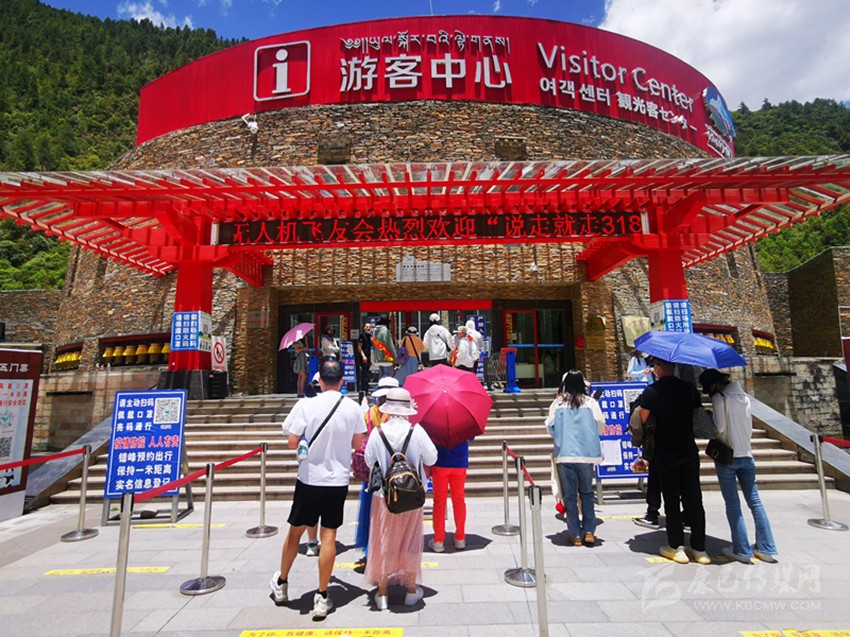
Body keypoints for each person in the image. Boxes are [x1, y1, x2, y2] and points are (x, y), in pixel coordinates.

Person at [270, 360, 366, 619]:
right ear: (342, 381)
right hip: (337, 481)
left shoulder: (306, 404)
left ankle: (282, 583)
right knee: (329, 536)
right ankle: (322, 596)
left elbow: (292, 442)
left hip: (309, 478)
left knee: (295, 532)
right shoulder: (353, 408)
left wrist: (305, 439)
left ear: (320, 381)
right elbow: (357, 444)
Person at [364, 387, 438, 610]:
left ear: (388, 408)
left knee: (383, 540)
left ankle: (383, 593)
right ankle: (411, 590)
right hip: (412, 496)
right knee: (411, 540)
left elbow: (369, 461)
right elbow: (432, 458)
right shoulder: (417, 431)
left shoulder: (378, 432)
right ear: (407, 409)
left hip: (383, 496)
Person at [699, 368, 779, 564]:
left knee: (733, 504)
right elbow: (747, 427)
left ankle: (742, 549)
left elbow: (719, 429)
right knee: (755, 502)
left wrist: (709, 417)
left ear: (714, 385)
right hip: (747, 454)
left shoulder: (719, 398)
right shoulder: (744, 397)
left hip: (728, 457)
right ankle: (766, 547)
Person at [637, 358, 709, 565]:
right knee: (694, 498)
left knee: (671, 498)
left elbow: (643, 418)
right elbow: (699, 418)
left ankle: (676, 546)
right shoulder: (689, 389)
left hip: (665, 451)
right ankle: (699, 548)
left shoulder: (652, 392)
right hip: (688, 450)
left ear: (658, 368)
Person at [545, 369, 606, 547]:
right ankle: (589, 531)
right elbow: (601, 425)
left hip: (565, 454)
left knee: (570, 495)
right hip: (587, 454)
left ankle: (575, 533)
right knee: (587, 492)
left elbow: (549, 426)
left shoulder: (558, 403)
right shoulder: (590, 402)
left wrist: (560, 434)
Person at [354, 376, 398, 565]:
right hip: (392, 472)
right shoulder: (396, 417)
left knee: (370, 513)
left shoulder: (369, 413)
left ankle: (370, 548)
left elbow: (361, 439)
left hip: (372, 471)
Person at [428, 439, 470, 552]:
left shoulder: (437, 426)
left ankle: (438, 540)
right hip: (460, 461)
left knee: (439, 501)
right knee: (459, 500)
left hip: (441, 462)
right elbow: (471, 437)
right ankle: (460, 538)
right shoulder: (462, 426)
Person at [356, 321, 373, 394]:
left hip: (368, 357)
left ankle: (366, 388)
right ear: (364, 328)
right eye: (367, 327)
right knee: (364, 373)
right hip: (363, 357)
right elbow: (359, 347)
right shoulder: (362, 336)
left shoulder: (370, 336)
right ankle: (365, 389)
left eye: (369, 327)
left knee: (367, 373)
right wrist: (363, 356)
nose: (368, 328)